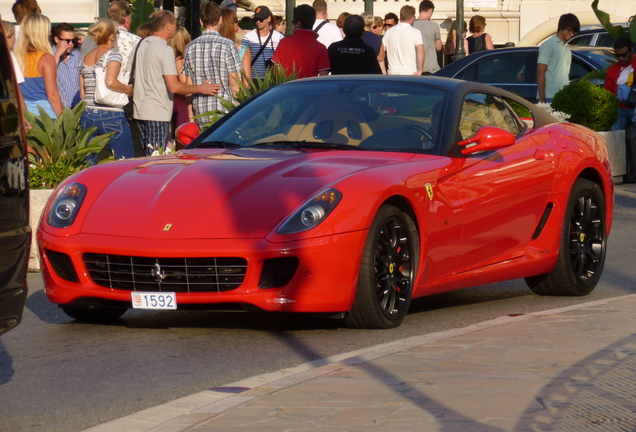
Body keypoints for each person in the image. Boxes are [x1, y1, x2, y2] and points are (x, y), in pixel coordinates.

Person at [133, 10, 221, 155]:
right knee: (156, 156)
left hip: (139, 109)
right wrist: (201, 88)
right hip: (157, 111)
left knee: (144, 156)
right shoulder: (165, 49)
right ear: (168, 26)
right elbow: (174, 86)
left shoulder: (140, 45)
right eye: (175, 24)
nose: (176, 27)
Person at [80, 19, 134, 160]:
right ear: (111, 36)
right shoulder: (113, 55)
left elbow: (82, 92)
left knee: (88, 162)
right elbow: (110, 81)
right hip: (111, 114)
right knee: (124, 159)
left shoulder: (85, 58)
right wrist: (127, 89)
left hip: (88, 113)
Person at [182, 2, 242, 126]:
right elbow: (234, 83)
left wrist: (190, 114)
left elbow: (189, 84)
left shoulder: (190, 47)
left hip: (200, 110)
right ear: (220, 20)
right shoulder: (228, 45)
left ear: (201, 22)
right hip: (225, 110)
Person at [13, 13, 64, 118]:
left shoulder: (15, 56)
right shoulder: (46, 58)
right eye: (47, 30)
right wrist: (64, 119)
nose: (50, 34)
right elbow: (52, 95)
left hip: (23, 115)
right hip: (45, 116)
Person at [603, 36, 636, 182]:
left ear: (631, 50)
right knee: (614, 138)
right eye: (618, 56)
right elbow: (607, 93)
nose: (621, 58)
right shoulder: (612, 70)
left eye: (624, 55)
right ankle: (615, 174)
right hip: (620, 108)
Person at [272, 4, 330, 78]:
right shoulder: (321, 48)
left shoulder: (283, 43)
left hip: (287, 88)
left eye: (294, 22)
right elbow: (324, 76)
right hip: (309, 88)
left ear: (298, 23)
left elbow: (276, 71)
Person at [537, 13, 580, 103]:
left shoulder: (567, 49)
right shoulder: (548, 45)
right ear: (561, 27)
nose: (572, 34)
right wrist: (542, 98)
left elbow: (566, 75)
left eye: (574, 32)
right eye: (569, 31)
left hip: (563, 96)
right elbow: (540, 72)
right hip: (549, 96)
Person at [241, 6, 284, 79]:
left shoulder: (279, 37)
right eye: (256, 19)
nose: (258, 22)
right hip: (254, 79)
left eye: (261, 19)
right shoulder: (248, 37)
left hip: (272, 79)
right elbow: (242, 58)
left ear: (269, 19)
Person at [168, 25, 192, 145]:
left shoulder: (179, 61)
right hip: (181, 101)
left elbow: (183, 83)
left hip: (180, 101)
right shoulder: (186, 59)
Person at [382, 5, 424, 75]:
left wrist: (383, 71)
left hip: (392, 71)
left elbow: (381, 51)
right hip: (410, 72)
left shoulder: (389, 32)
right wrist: (420, 69)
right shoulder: (416, 32)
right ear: (412, 17)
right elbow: (421, 51)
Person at [52, 22, 81, 108]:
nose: (71, 44)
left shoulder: (77, 55)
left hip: (77, 107)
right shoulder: (49, 55)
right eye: (67, 41)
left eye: (73, 40)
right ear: (57, 39)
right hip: (60, 108)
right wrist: (57, 55)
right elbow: (48, 74)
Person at [219, 7, 251, 80]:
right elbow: (247, 82)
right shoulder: (242, 50)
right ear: (231, 24)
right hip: (235, 89)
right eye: (236, 20)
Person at [413, 0, 442, 74]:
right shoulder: (434, 26)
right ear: (430, 10)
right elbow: (439, 47)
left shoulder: (412, 25)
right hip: (431, 67)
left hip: (415, 67)